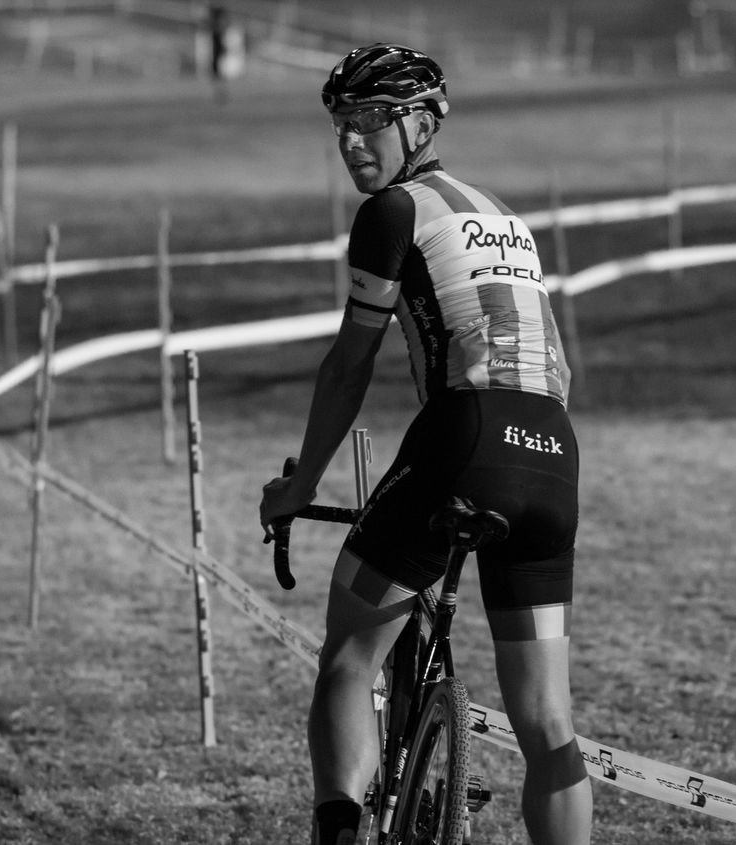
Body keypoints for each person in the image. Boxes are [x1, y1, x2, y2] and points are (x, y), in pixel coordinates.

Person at [258, 43, 593, 845]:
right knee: (549, 722)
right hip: (552, 449)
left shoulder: (392, 212)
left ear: (423, 121)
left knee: (348, 658)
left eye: (372, 121)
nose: (351, 141)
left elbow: (350, 363)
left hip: (464, 433)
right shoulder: (505, 216)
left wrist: (302, 483)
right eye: (341, 124)